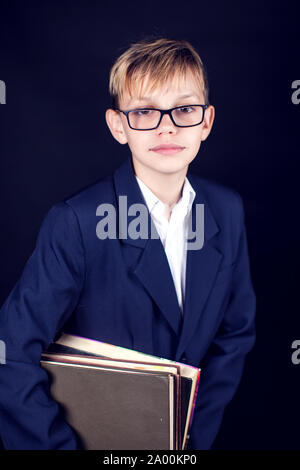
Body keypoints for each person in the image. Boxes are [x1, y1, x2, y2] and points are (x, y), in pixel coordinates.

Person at [0, 37, 256, 450]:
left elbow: (235, 335)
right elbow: (9, 354)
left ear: (207, 122)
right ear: (118, 125)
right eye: (144, 112)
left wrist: (190, 443)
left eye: (184, 109)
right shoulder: (77, 222)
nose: (166, 126)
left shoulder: (226, 209)